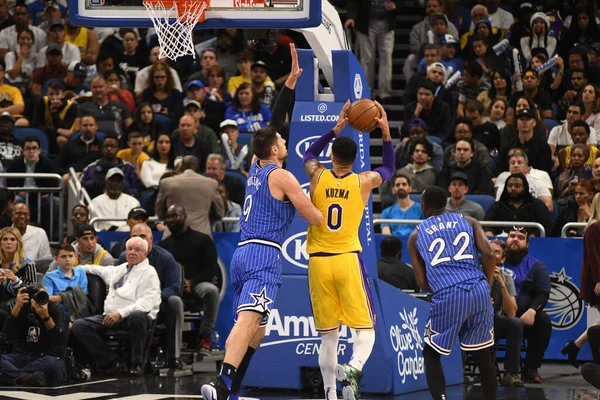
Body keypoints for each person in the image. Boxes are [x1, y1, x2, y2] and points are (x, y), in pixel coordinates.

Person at [200, 65, 323, 400]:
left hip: (243, 252)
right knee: (248, 322)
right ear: (273, 150)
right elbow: (312, 216)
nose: (284, 139)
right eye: (281, 141)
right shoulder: (281, 176)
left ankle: (233, 390)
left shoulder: (256, 165)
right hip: (264, 254)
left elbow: (270, 127)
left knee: (259, 329)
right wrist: (329, 207)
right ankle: (221, 384)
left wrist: (291, 85)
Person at [302, 100, 394, 399]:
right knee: (365, 329)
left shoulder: (318, 175)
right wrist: (386, 132)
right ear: (355, 159)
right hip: (346, 260)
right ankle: (353, 366)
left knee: (328, 337)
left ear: (333, 155)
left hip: (318, 263)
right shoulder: (363, 181)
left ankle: (330, 394)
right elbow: (390, 167)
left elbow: (308, 153)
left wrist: (335, 128)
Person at [407, 186, 497, 400]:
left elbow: (421, 281)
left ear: (423, 206)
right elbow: (490, 253)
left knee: (431, 353)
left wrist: (442, 286)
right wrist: (487, 283)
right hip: (478, 289)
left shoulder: (416, 235)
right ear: (446, 203)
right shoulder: (469, 221)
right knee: (483, 355)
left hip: (447, 292)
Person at [72, 236, 161, 376]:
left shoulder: (149, 273)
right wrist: (73, 267)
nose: (132, 252)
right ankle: (112, 360)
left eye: (137, 250)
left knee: (138, 316)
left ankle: (137, 363)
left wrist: (120, 313)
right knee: (79, 326)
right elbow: (97, 269)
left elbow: (146, 304)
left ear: (146, 253)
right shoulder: (120, 269)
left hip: (132, 318)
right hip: (109, 316)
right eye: (129, 249)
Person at [116, 223, 184, 369]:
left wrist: (152, 298)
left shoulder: (165, 258)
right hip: (131, 306)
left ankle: (174, 356)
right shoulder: (124, 258)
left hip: (160, 307)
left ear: (151, 239)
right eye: (135, 236)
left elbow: (173, 287)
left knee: (175, 301)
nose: (139, 240)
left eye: (143, 236)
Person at [158, 204, 221, 356]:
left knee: (211, 291)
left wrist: (192, 282)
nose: (172, 220)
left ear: (185, 217)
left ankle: (204, 338)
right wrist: (175, 284)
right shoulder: (163, 246)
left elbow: (212, 268)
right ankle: (169, 346)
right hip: (172, 287)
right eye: (169, 217)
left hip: (197, 284)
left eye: (175, 216)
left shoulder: (203, 240)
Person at [501, 227, 552, 383]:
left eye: (521, 237)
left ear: (527, 244)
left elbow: (543, 293)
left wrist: (532, 311)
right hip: (494, 315)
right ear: (506, 240)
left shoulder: (536, 266)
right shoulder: (494, 260)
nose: (515, 239)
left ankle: (530, 368)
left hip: (522, 316)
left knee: (543, 320)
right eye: (512, 236)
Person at [0, 283, 67, 387]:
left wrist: (45, 316)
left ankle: (14, 376)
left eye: (43, 294)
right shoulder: (22, 307)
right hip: (24, 356)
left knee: (54, 364)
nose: (39, 298)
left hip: (47, 357)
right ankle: (25, 378)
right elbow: (6, 336)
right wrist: (16, 307)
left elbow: (59, 340)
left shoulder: (55, 308)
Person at [561, 193, 600, 367]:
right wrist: (599, 280)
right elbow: (594, 257)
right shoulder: (593, 228)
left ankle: (575, 345)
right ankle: (577, 345)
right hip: (596, 278)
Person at [155, 155, 224, 238]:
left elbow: (160, 214)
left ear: (181, 167)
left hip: (172, 237)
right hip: (202, 237)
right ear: (198, 168)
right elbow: (219, 213)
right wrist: (205, 217)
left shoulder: (166, 183)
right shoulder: (211, 184)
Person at [344, 0, 398, 103]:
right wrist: (350, 17)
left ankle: (385, 93)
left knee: (386, 58)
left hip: (387, 22)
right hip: (366, 22)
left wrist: (396, 6)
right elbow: (353, 2)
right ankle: (367, 92)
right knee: (367, 60)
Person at [489, 239, 524, 387]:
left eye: (496, 252)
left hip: (493, 320)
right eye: (489, 250)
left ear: (502, 259)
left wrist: (502, 285)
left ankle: (511, 373)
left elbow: (511, 313)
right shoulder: (472, 272)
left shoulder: (506, 277)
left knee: (515, 323)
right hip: (472, 319)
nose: (491, 254)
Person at [484, 173, 553, 237]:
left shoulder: (537, 205)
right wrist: (489, 234)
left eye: (517, 186)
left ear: (525, 187)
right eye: (510, 186)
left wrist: (533, 236)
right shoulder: (498, 206)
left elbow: (547, 226)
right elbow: (486, 225)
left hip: (532, 242)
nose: (513, 188)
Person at [0, 226, 37, 327]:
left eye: (13, 239)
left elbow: (31, 292)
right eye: (5, 239)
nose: (9, 242)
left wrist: (15, 280)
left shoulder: (28, 265)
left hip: (19, 305)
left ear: (18, 243)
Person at [49, 225, 114, 271]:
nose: (90, 243)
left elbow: (110, 284)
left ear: (96, 239)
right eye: (85, 239)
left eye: (92, 238)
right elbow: (49, 276)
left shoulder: (105, 258)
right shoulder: (66, 254)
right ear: (77, 240)